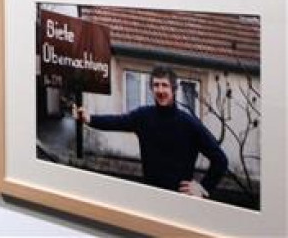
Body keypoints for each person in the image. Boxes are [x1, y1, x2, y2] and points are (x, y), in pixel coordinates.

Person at [74, 65, 227, 199]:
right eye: (156, 85)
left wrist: (203, 188)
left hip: (180, 200)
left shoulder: (189, 124)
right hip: (149, 195)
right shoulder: (143, 117)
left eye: (165, 85)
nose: (160, 90)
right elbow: (116, 121)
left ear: (174, 89)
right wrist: (89, 119)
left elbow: (220, 160)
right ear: (151, 89)